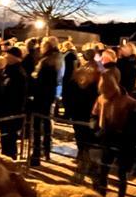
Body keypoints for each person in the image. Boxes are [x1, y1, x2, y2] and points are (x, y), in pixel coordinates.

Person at [92, 68, 136, 197]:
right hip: (107, 137)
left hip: (121, 139)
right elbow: (95, 113)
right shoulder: (102, 98)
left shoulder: (126, 100)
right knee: (104, 169)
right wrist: (95, 126)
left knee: (120, 171)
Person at [63, 48, 100, 183]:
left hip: (78, 111)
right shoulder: (100, 74)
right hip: (91, 112)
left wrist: (69, 110)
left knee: (81, 137)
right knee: (90, 139)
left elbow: (68, 92)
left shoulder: (78, 73)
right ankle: (89, 164)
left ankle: (83, 162)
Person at [29, 36, 63, 165]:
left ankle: (36, 153)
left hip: (41, 96)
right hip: (50, 95)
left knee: (37, 124)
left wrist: (34, 78)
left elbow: (40, 80)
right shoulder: (58, 59)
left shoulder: (47, 61)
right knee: (47, 122)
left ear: (47, 46)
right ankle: (47, 150)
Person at [0, 46, 27, 159]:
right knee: (5, 140)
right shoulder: (8, 70)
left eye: (7, 55)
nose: (5, 57)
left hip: (12, 113)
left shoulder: (18, 73)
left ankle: (10, 164)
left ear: (14, 57)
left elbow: (17, 95)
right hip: (6, 112)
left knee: (9, 141)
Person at [60, 39, 79, 115]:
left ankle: (68, 112)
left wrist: (72, 76)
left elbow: (74, 67)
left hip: (68, 76)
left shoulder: (70, 54)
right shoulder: (72, 54)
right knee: (67, 95)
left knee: (67, 95)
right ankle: (68, 112)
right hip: (68, 76)